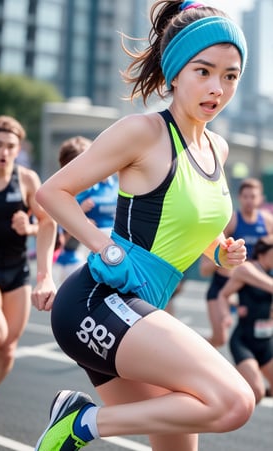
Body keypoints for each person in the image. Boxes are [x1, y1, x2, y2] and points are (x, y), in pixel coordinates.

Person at [33, 2, 255, 451]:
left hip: (141, 311)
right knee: (234, 403)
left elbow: (188, 226)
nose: (217, 88)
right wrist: (102, 246)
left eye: (230, 76)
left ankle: (82, 422)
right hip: (98, 301)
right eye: (204, 71)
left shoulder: (219, 148)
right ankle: (81, 423)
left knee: (177, 447)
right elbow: (52, 192)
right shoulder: (144, 132)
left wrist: (219, 252)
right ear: (175, 73)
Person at [0, 115, 56, 443]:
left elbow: (48, 222)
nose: (4, 152)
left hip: (17, 270)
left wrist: (31, 228)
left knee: (7, 350)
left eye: (10, 146)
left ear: (18, 149)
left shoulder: (27, 180)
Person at [200, 177, 273, 347]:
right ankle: (186, 355)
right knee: (220, 339)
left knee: (254, 339)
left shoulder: (267, 222)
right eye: (245, 196)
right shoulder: (231, 221)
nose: (249, 201)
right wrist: (225, 258)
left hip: (248, 289)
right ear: (239, 198)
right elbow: (204, 268)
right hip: (223, 286)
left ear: (261, 199)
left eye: (253, 196)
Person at [55, 136, 118, 285]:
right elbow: (58, 237)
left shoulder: (112, 184)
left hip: (109, 253)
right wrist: (80, 221)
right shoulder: (68, 191)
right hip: (75, 258)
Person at [218, 236, 273, 404]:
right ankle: (222, 393)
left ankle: (235, 384)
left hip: (266, 341)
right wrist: (227, 314)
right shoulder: (247, 270)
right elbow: (223, 295)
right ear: (262, 253)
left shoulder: (270, 271)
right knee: (257, 391)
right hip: (244, 340)